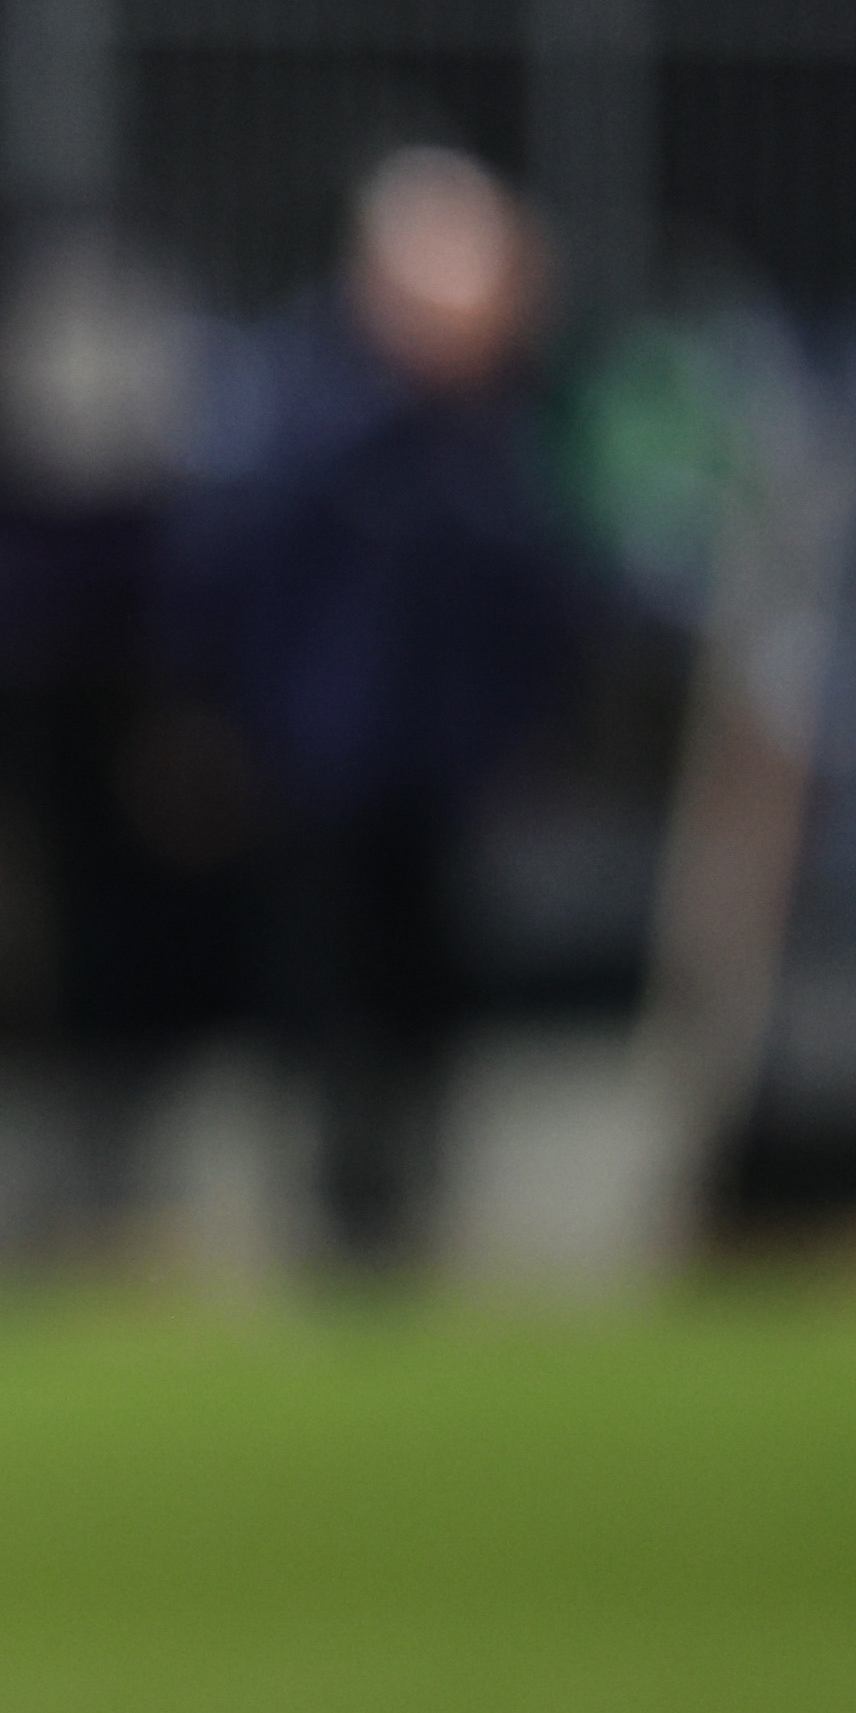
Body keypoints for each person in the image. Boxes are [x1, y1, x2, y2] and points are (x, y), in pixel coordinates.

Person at [157, 148, 591, 1270]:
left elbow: (539, 597)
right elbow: (225, 571)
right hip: (320, 755)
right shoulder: (312, 408)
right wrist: (215, 713)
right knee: (325, 991)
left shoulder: (495, 429)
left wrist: (522, 727)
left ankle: (407, 1205)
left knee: (431, 991)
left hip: (440, 762)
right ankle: (340, 1212)